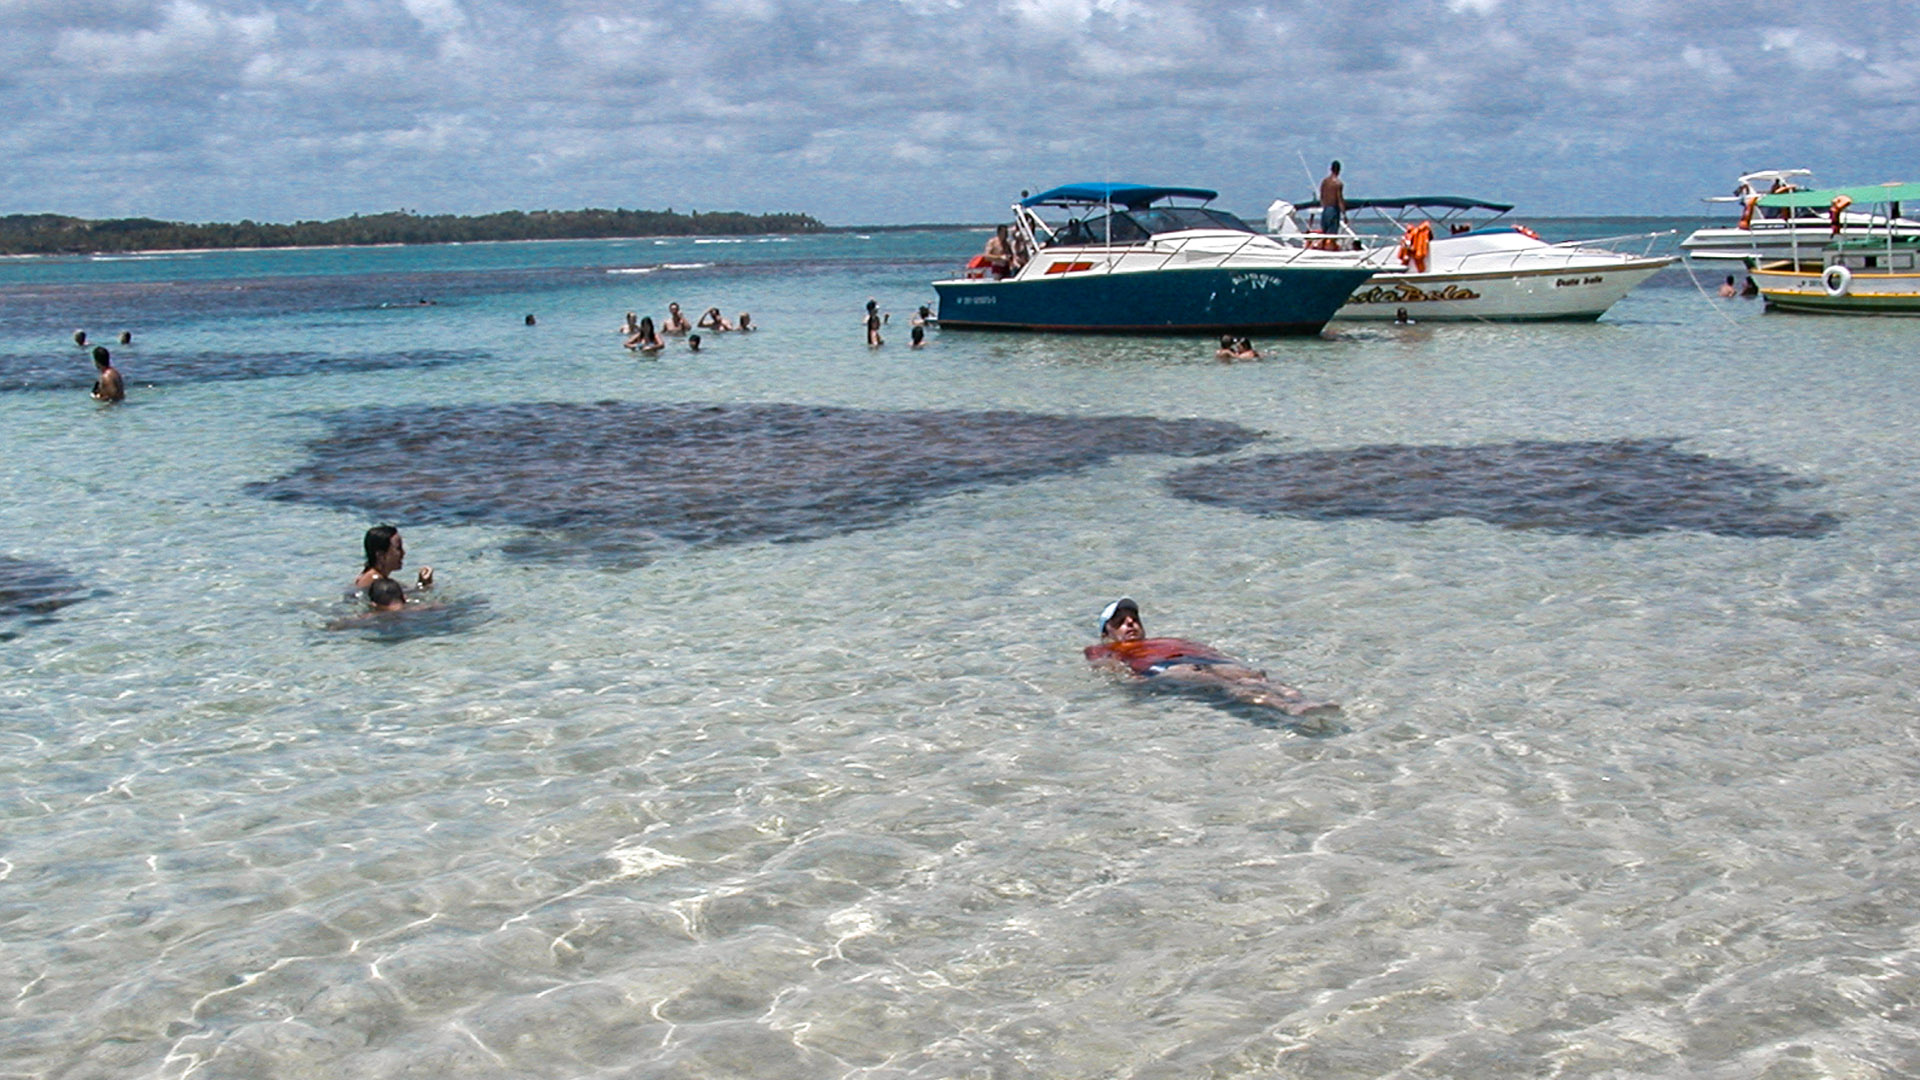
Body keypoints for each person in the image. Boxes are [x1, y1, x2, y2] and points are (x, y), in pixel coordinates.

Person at [1085, 598, 1332, 717]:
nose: (1130, 623)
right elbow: (1107, 669)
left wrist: (1230, 663)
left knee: (1252, 676)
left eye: (1134, 619)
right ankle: (1288, 707)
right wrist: (1133, 683)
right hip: (1163, 667)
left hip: (1204, 660)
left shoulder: (1167, 639)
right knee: (1222, 684)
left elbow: (1209, 649)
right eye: (1120, 621)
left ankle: (1304, 700)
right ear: (1107, 632)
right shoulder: (1102, 649)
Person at [355, 524, 433, 592]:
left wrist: (422, 583)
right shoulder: (375, 581)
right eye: (398, 548)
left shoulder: (376, 579)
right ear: (380, 555)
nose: (403, 553)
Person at [1318, 160, 1347, 238]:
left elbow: (1321, 196)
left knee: (1325, 234)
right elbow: (1339, 199)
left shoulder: (1325, 181)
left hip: (1325, 210)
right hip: (1333, 210)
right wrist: (1344, 215)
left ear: (1331, 169)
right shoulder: (1338, 183)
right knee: (1332, 236)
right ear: (1339, 170)